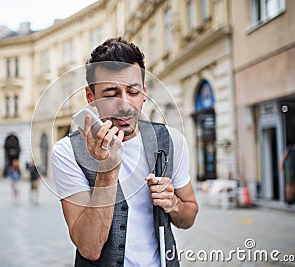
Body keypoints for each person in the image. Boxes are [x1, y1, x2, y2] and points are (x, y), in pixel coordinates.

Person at [52, 37, 198, 266]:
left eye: (132, 91)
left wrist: (173, 205)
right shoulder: (67, 152)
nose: (125, 104)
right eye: (111, 93)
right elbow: (89, 248)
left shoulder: (171, 141)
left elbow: (189, 216)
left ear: (145, 92)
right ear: (91, 97)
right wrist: (107, 171)